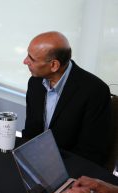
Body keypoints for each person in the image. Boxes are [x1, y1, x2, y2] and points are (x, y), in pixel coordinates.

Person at [22, 31, 111, 165]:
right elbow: (31, 131)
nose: (25, 61)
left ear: (54, 65)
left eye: (32, 59)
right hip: (37, 162)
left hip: (73, 169)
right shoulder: (35, 82)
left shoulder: (95, 91)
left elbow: (91, 153)